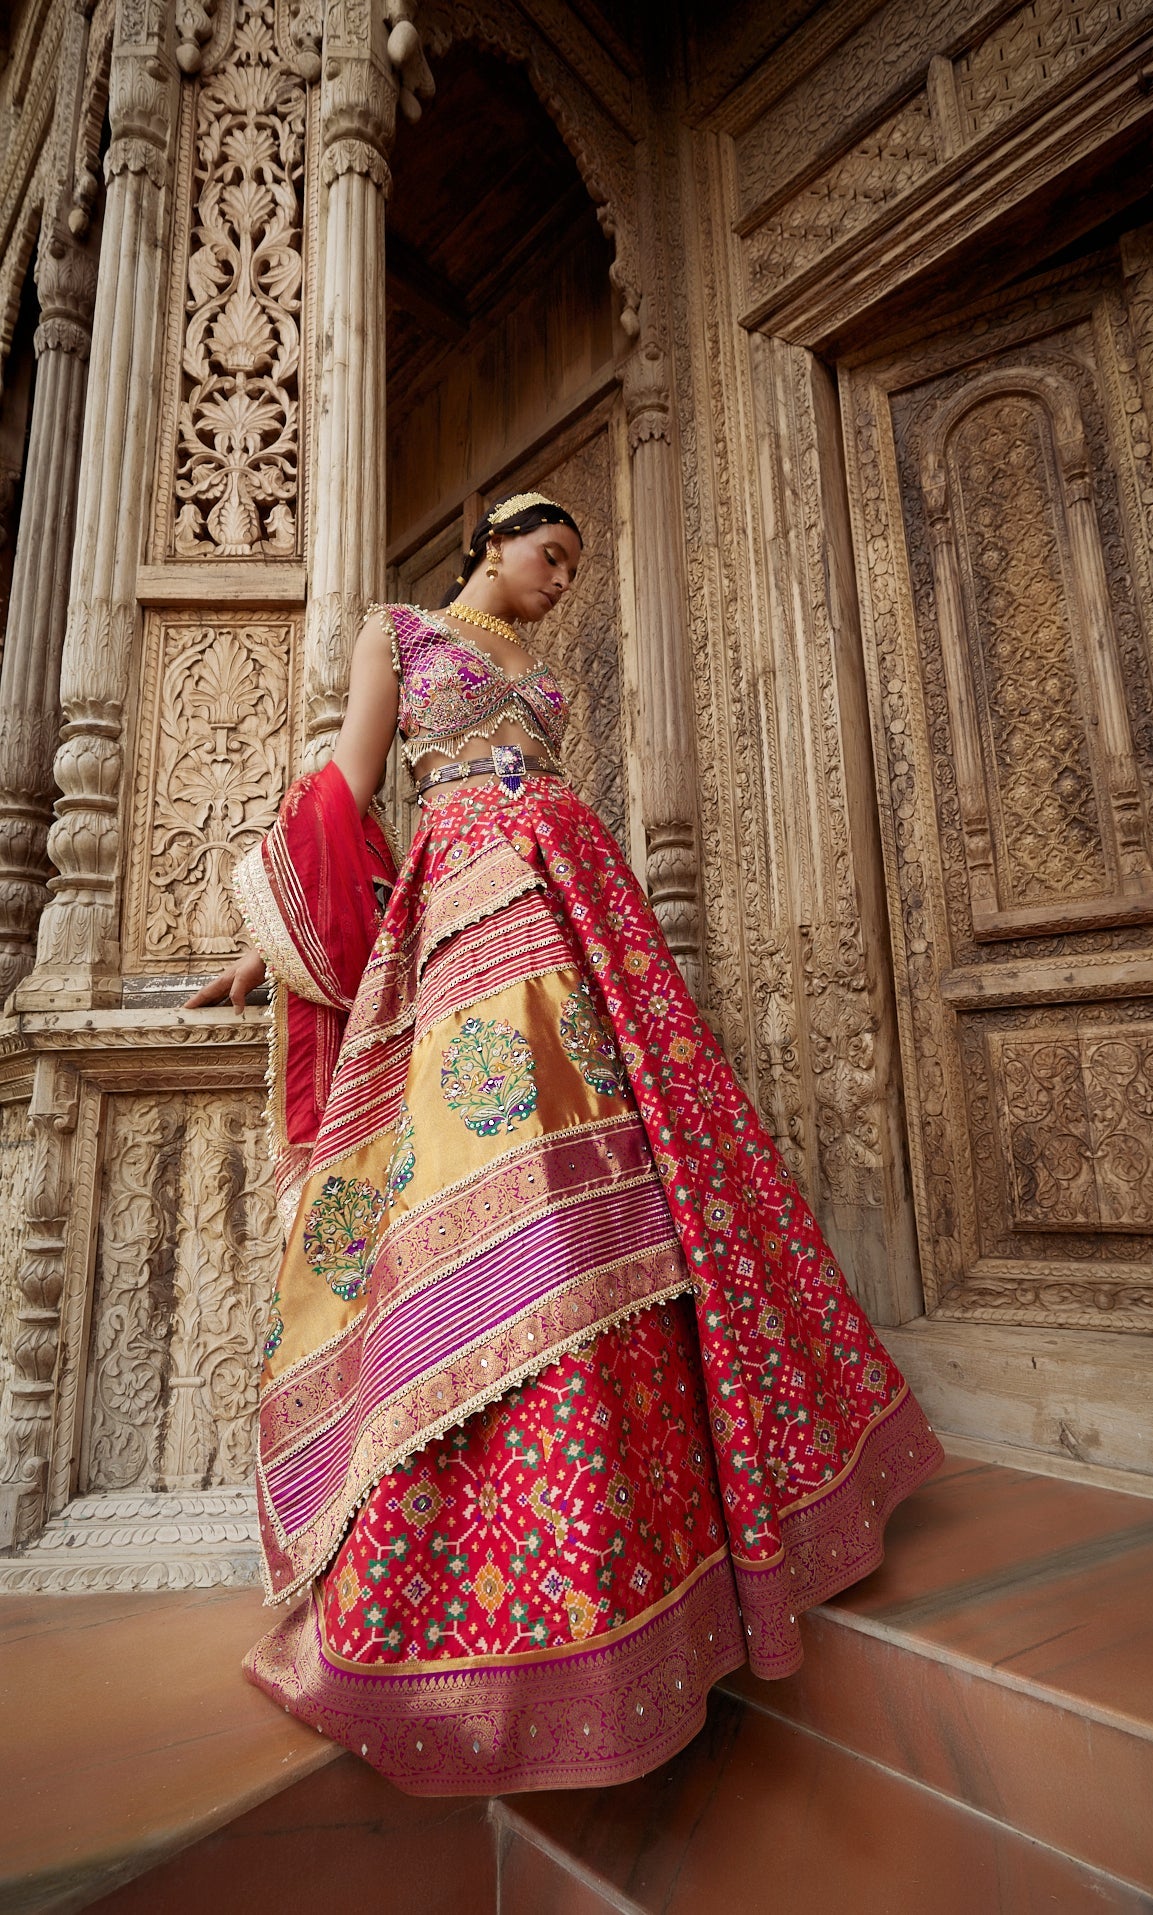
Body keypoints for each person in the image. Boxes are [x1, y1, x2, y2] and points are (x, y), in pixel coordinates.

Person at [188, 491, 942, 1795]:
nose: (560, 584)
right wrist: (276, 951)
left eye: (575, 570)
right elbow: (343, 801)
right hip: (475, 912)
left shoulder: (543, 674)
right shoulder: (402, 635)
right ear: (494, 538)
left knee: (635, 1189)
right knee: (513, 1180)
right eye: (550, 558)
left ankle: (656, 1524)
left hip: (583, 908)